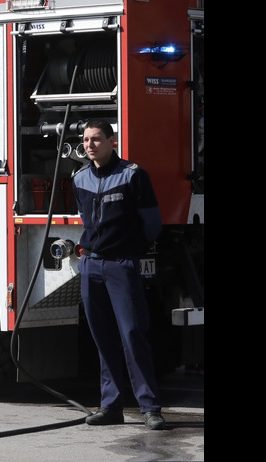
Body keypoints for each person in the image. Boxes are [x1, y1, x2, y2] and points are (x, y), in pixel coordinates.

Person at [73, 119, 166, 430]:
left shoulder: (132, 175)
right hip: (91, 267)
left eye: (96, 139)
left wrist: (131, 253)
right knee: (103, 338)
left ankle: (150, 407)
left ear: (112, 141)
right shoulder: (80, 178)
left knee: (132, 334)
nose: (89, 145)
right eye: (86, 140)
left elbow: (152, 224)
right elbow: (85, 220)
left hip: (121, 266)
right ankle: (110, 406)